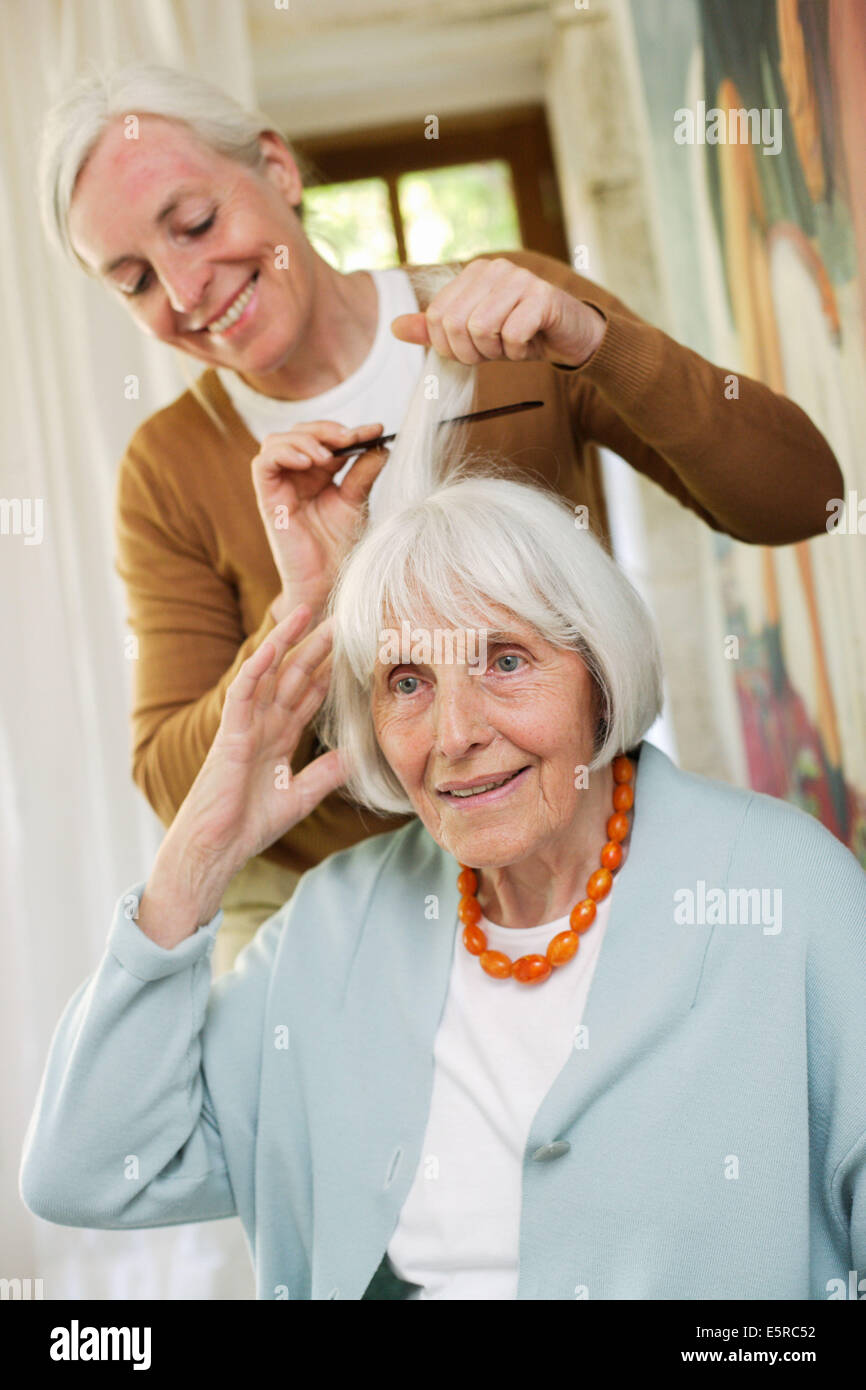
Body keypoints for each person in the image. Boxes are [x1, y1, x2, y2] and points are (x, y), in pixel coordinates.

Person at [20, 352, 866, 1301]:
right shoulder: (333, 924)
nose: (456, 734)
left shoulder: (786, 891)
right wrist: (200, 852)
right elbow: (90, 1172)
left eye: (506, 660)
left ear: (598, 674)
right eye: (408, 683)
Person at [39, 63, 844, 972]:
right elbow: (178, 784)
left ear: (277, 168)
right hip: (340, 904)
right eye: (136, 280)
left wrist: (599, 344)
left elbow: (805, 497)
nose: (186, 290)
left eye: (196, 224)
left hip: (573, 838)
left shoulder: (517, 318)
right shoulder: (170, 468)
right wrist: (303, 607)